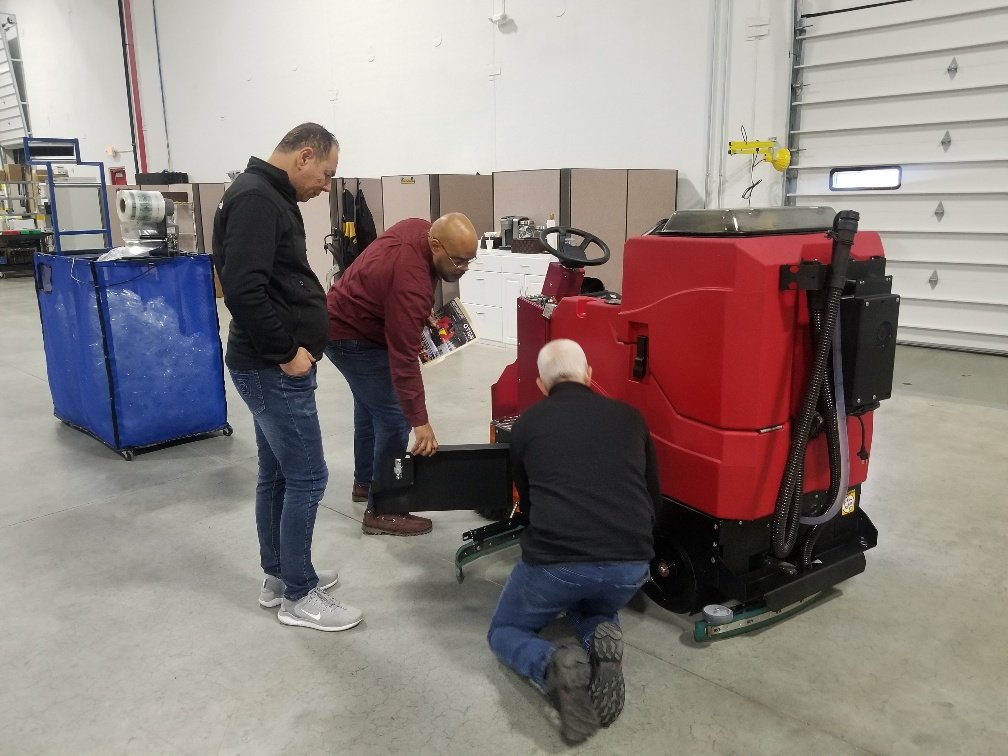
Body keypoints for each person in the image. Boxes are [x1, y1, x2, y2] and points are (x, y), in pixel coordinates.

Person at [213, 123, 363, 632]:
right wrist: (287, 351)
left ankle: (281, 575)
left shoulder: (264, 194)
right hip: (272, 366)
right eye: (326, 173)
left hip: (266, 363)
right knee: (309, 476)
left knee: (277, 474)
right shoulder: (258, 199)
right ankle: (299, 596)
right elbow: (243, 289)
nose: (326, 185)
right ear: (304, 155)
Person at [486, 339, 659, 744]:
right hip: (631, 564)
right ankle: (600, 634)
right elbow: (653, 497)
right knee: (592, 604)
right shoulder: (631, 417)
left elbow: (527, 503)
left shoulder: (527, 425)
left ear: (542, 385)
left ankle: (550, 665)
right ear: (589, 375)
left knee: (504, 630)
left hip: (557, 563)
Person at [325, 213, 478, 536]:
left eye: (470, 260)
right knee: (395, 419)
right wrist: (419, 421)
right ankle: (383, 509)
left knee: (370, 410)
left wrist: (413, 310)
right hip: (352, 335)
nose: (464, 268)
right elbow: (403, 359)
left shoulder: (417, 228)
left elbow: (392, 279)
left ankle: (366, 482)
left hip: (343, 319)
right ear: (435, 244)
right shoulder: (412, 283)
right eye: (460, 261)